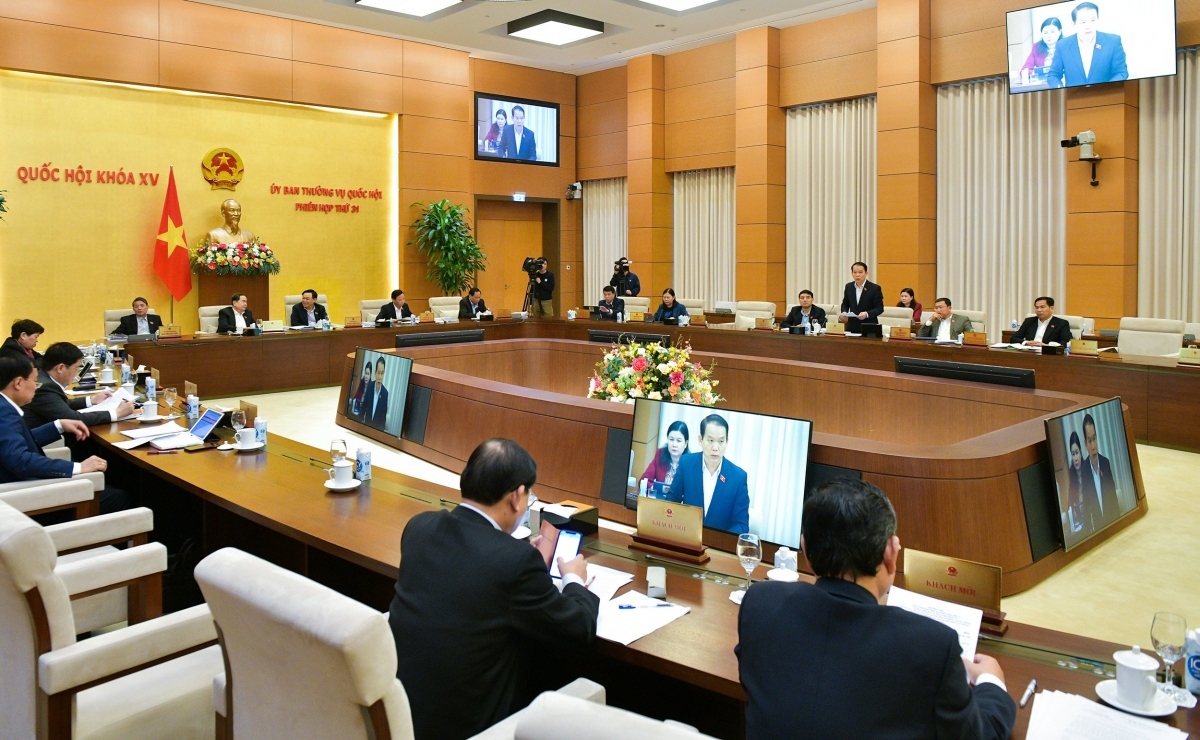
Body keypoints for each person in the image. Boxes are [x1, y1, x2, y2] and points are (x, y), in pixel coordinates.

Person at [736, 478, 1017, 739]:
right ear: (891, 555)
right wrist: (992, 681)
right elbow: (981, 734)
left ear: (805, 551)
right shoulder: (932, 646)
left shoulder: (760, 603)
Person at [388, 438, 598, 739]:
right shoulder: (515, 563)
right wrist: (574, 579)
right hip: (474, 729)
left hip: (406, 719)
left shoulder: (419, 527)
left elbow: (468, 565)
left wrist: (513, 553)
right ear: (516, 497)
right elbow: (578, 628)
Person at [0, 356, 130, 505]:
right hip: (23, 499)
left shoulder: (3, 407)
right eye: (35, 382)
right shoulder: (4, 413)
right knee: (120, 498)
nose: (37, 387)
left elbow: (18, 441)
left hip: (19, 488)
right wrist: (79, 467)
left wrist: (58, 425)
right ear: (18, 383)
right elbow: (20, 461)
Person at [668, 414, 750, 534]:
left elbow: (741, 525)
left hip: (719, 546)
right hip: (687, 539)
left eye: (721, 441)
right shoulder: (687, 463)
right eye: (710, 440)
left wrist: (719, 540)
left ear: (727, 441)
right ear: (700, 440)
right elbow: (671, 501)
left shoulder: (738, 477)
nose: (715, 447)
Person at [24, 342, 135, 429]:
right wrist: (116, 413)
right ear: (60, 368)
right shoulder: (45, 388)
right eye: (76, 368)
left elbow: (60, 405)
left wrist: (92, 400)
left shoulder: (44, 378)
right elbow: (72, 418)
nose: (77, 373)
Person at [1046, 2, 1127, 88]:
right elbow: (1053, 75)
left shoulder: (1112, 42)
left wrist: (1107, 89)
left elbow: (1121, 73)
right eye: (1083, 22)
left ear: (1098, 19)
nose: (1088, 26)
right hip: (1073, 98)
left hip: (1106, 97)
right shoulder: (1062, 45)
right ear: (1073, 23)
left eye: (1092, 20)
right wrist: (1061, 90)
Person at [1082, 413, 1120, 527]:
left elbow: (1113, 497)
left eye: (1094, 439)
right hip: (1097, 529)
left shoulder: (1105, 463)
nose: (1093, 445)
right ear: (1085, 443)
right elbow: (1086, 506)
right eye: (1089, 441)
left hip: (1112, 522)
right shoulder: (1084, 470)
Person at [1065, 430, 1100, 535]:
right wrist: (1073, 510)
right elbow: (1069, 503)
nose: (1075, 458)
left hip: (1093, 518)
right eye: (1073, 454)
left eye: (1076, 453)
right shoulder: (1071, 473)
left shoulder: (1088, 468)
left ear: (1080, 452)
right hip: (1080, 525)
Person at [640, 420, 689, 492]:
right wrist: (655, 488)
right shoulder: (660, 454)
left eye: (679, 441)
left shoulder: (690, 462)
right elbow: (644, 480)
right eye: (671, 439)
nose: (674, 444)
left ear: (685, 444)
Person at [839, 262, 884, 333]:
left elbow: (879, 308)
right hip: (852, 326)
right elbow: (845, 303)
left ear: (866, 273)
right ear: (852, 274)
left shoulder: (874, 288)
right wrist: (844, 311)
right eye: (855, 272)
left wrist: (867, 314)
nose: (857, 275)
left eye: (860, 272)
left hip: (869, 327)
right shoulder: (849, 287)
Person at [1020, 17, 1063, 84]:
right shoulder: (1036, 47)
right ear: (1041, 34)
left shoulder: (1066, 46)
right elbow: (1024, 70)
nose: (1049, 36)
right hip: (1044, 85)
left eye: (1052, 32)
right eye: (1045, 33)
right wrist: (1035, 73)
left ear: (1059, 32)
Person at [358, 356, 389, 429]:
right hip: (366, 428)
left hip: (376, 431)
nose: (380, 376)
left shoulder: (385, 394)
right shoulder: (370, 387)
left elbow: (383, 420)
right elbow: (363, 408)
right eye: (378, 373)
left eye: (382, 373)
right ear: (375, 373)